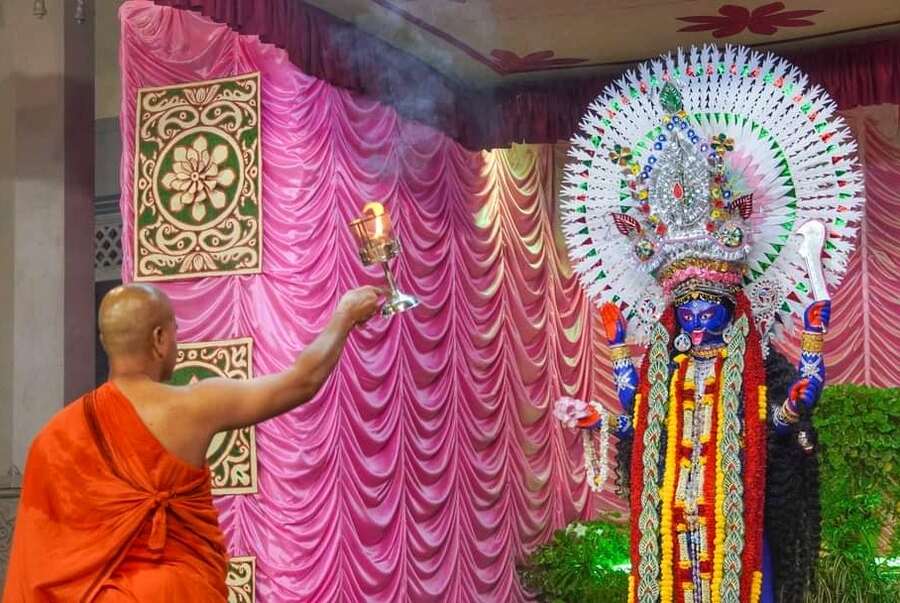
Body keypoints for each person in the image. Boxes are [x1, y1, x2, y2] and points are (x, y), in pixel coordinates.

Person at [553, 45, 862, 602]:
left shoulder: (753, 372)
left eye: (707, 308)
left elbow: (789, 415)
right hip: (672, 540)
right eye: (687, 311)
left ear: (733, 308)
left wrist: (811, 355)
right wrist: (597, 418)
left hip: (737, 536)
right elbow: (639, 427)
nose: (696, 322)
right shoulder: (666, 373)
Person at [3, 283, 382, 602]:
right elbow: (302, 381)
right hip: (179, 589)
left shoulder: (56, 434)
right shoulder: (193, 406)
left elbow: (44, 553)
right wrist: (345, 315)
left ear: (106, 342)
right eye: (176, 330)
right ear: (160, 338)